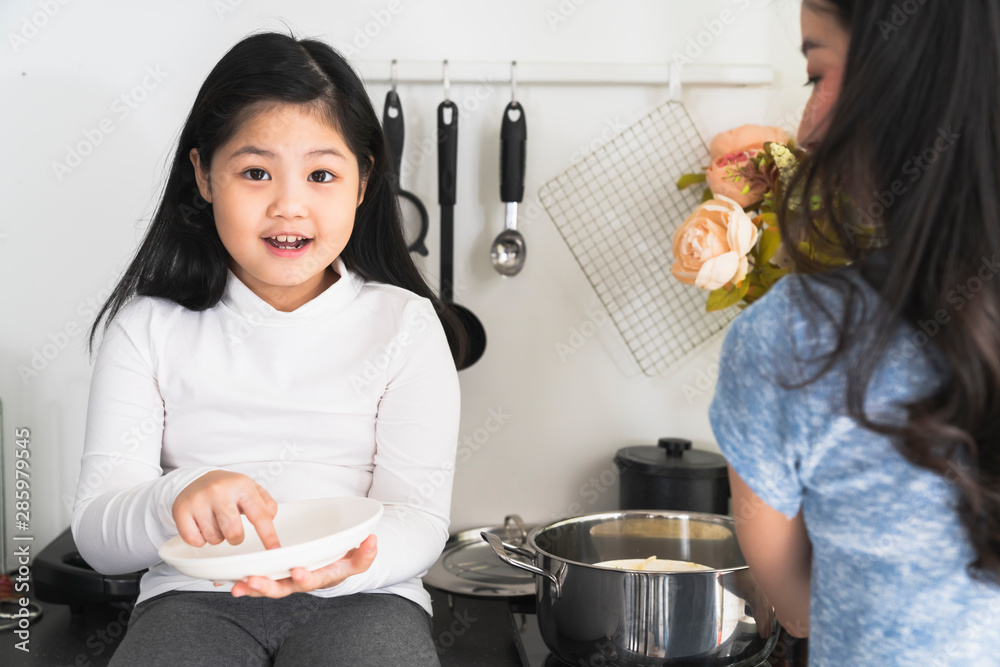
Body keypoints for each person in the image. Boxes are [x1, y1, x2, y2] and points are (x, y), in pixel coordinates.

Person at [71, 29, 465, 667]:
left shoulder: (406, 326)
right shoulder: (147, 327)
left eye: (321, 174)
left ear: (363, 182)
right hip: (193, 598)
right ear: (202, 175)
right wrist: (178, 496)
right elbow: (99, 535)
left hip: (366, 597)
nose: (289, 204)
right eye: (255, 172)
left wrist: (341, 566)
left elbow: (417, 520)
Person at [709, 1, 1000, 664]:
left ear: (908, 75)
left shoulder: (793, 341)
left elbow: (799, 606)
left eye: (815, 74)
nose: (807, 127)